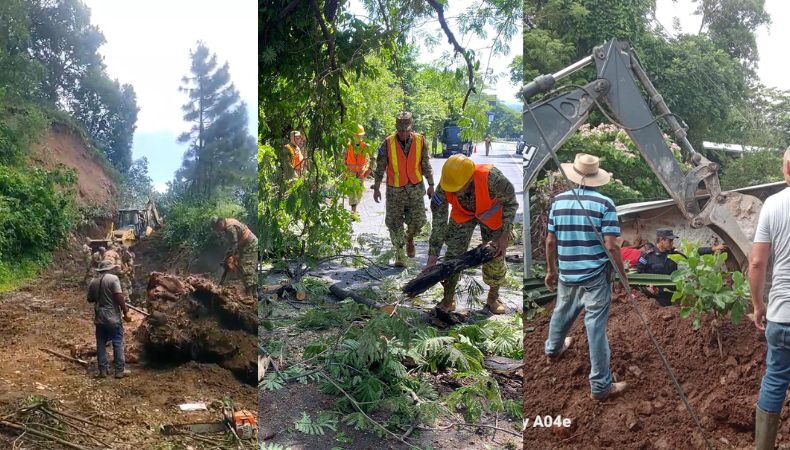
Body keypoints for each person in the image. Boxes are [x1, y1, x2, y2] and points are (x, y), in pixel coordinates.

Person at [543, 153, 628, 401]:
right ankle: (601, 386)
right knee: (596, 329)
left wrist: (551, 270)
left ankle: (553, 350)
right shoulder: (605, 204)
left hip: (568, 273)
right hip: (595, 277)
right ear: (596, 177)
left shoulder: (557, 202)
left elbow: (550, 241)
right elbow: (612, 246)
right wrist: (623, 278)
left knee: (561, 311)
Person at [425, 154, 517, 315]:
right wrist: (432, 258)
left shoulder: (493, 179)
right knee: (452, 256)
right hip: (463, 214)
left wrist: (504, 235)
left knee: (494, 255)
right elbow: (439, 225)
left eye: (457, 189)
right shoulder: (445, 186)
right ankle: (448, 299)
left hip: (492, 215)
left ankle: (493, 297)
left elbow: (511, 203)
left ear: (469, 180)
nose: (454, 192)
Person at [749, 147, 790, 450]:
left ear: (786, 169)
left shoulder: (773, 205)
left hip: (782, 315)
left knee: (775, 378)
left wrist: (758, 305)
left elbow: (756, 263)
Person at [372, 112, 434, 267]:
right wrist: (377, 187)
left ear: (411, 127)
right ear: (396, 128)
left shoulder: (421, 141)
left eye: (406, 130)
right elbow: (380, 168)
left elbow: (425, 164)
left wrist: (431, 184)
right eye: (401, 130)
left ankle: (410, 239)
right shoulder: (387, 143)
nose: (404, 133)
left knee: (419, 221)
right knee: (394, 223)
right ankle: (400, 254)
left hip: (415, 189)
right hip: (395, 191)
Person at [636, 228, 725, 306]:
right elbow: (639, 274)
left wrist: (712, 249)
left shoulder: (674, 253)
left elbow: (692, 252)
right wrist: (647, 286)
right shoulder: (647, 256)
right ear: (661, 240)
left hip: (673, 294)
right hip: (656, 297)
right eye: (670, 241)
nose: (672, 243)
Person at [87, 260, 131, 379]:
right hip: (112, 316)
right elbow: (118, 296)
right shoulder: (113, 278)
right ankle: (119, 370)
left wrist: (100, 296)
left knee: (101, 342)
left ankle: (103, 370)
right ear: (110, 269)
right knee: (117, 341)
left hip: (100, 316)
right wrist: (125, 310)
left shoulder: (93, 281)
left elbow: (90, 299)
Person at [212, 217, 259, 298]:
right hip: (249, 244)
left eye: (217, 228)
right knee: (250, 268)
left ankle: (250, 294)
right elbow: (233, 244)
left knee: (246, 267)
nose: (218, 231)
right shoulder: (228, 221)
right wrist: (228, 255)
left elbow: (234, 244)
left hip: (250, 245)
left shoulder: (229, 228)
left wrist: (230, 256)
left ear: (219, 224)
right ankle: (254, 293)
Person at [345, 125, 369, 219]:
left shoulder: (365, 146)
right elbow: (343, 160)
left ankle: (355, 209)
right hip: (350, 174)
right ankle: (353, 211)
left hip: (361, 174)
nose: (358, 137)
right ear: (353, 136)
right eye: (356, 135)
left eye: (360, 135)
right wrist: (345, 172)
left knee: (358, 192)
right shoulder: (348, 146)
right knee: (352, 193)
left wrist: (366, 170)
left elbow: (368, 160)